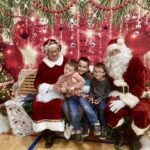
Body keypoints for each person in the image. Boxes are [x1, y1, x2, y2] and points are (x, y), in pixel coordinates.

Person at [104, 38, 150, 150]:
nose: (114, 54)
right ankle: (121, 133)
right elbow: (109, 86)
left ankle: (134, 136)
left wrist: (125, 101)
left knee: (143, 111)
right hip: (118, 94)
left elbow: (140, 85)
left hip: (137, 95)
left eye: (117, 51)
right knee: (110, 108)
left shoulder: (135, 62)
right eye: (112, 52)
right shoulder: (110, 67)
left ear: (123, 50)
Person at [32, 39, 67, 148]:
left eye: (56, 50)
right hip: (47, 90)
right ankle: (45, 130)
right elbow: (37, 82)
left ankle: (51, 134)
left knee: (54, 104)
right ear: (47, 52)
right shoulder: (43, 65)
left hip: (62, 91)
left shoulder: (65, 61)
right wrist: (49, 87)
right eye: (51, 51)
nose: (54, 53)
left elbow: (72, 75)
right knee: (38, 104)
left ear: (59, 50)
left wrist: (63, 86)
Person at [54, 59, 100, 140]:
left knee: (85, 107)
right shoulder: (62, 77)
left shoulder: (77, 75)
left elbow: (83, 83)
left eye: (69, 70)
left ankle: (95, 122)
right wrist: (61, 89)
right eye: (65, 68)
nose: (67, 71)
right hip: (69, 97)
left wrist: (74, 86)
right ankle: (77, 129)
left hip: (80, 96)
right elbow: (57, 86)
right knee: (72, 112)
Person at [88, 62, 111, 139]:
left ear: (104, 73)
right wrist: (91, 97)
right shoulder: (92, 80)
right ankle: (95, 126)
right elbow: (91, 91)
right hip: (94, 97)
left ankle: (104, 127)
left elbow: (108, 93)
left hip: (102, 98)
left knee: (101, 108)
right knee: (90, 107)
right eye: (95, 71)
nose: (97, 73)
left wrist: (100, 99)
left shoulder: (106, 81)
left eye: (99, 72)